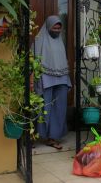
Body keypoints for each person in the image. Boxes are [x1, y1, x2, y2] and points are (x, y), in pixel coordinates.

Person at [33, 15, 71, 150]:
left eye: (59, 28)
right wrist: (35, 79)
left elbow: (63, 61)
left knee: (59, 109)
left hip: (61, 79)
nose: (57, 30)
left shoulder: (60, 41)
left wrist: (68, 80)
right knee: (44, 109)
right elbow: (33, 60)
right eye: (54, 27)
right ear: (48, 26)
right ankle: (36, 136)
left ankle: (53, 138)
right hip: (45, 79)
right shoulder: (38, 40)